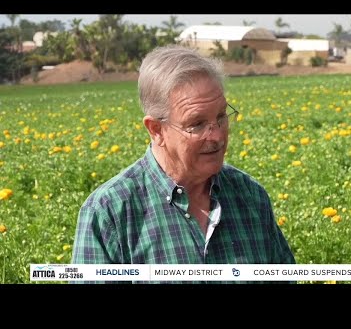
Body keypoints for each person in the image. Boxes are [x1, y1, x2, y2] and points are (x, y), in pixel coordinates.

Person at [71, 45, 296, 283]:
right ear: (156, 130)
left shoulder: (251, 197)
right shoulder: (110, 213)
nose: (217, 136)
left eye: (221, 117)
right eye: (197, 124)